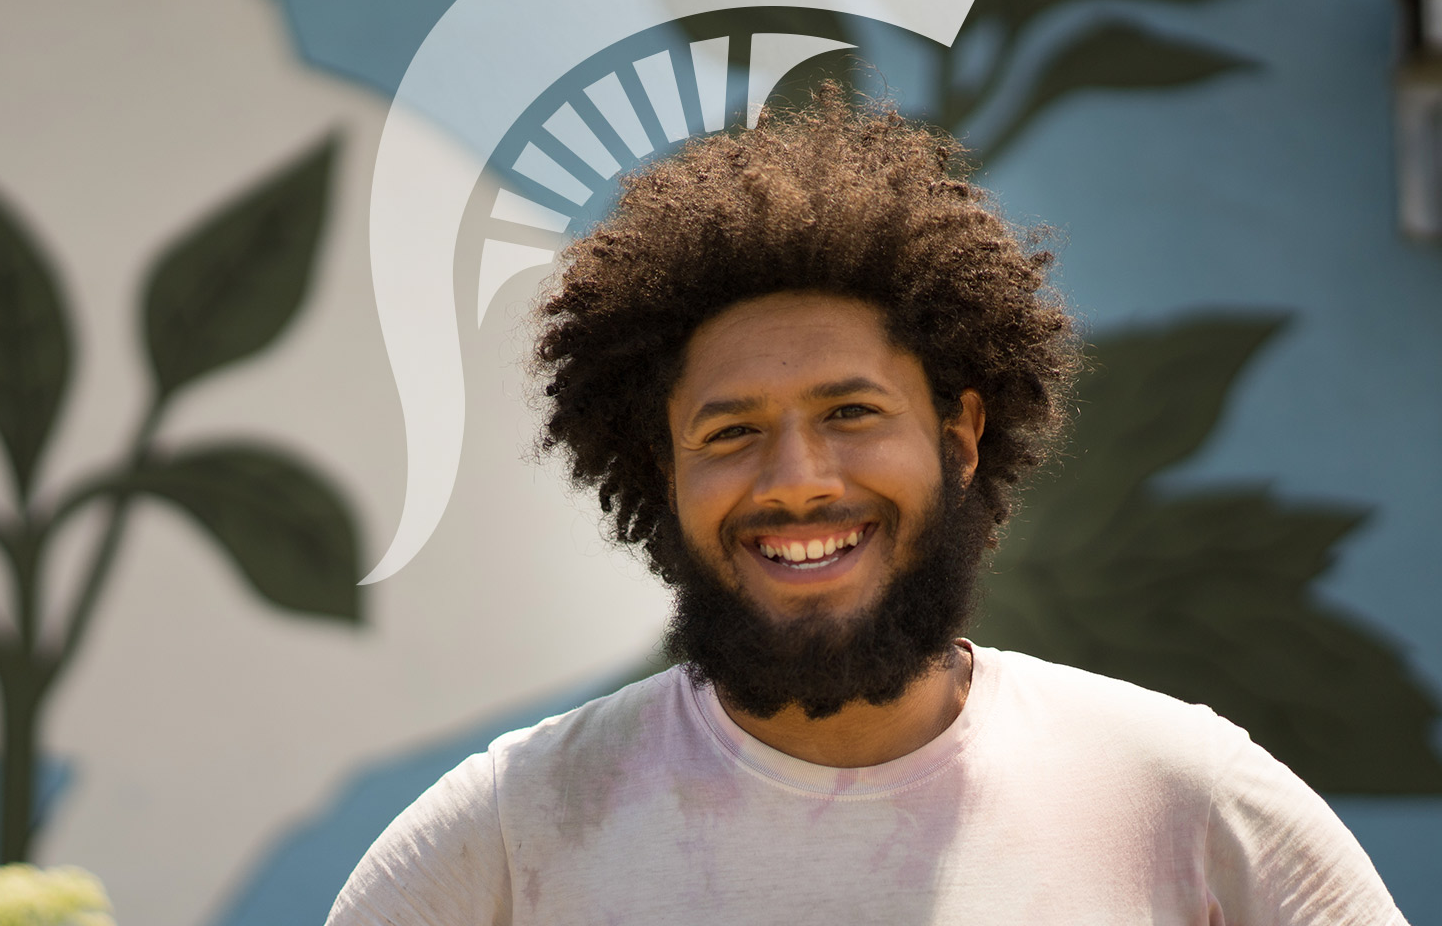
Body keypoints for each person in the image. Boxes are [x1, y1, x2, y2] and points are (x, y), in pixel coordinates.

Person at [326, 86, 1407, 924]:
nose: (796, 477)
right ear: (661, 471)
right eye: (729, 431)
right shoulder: (513, 831)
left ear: (959, 435)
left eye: (848, 411)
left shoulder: (1182, 795)